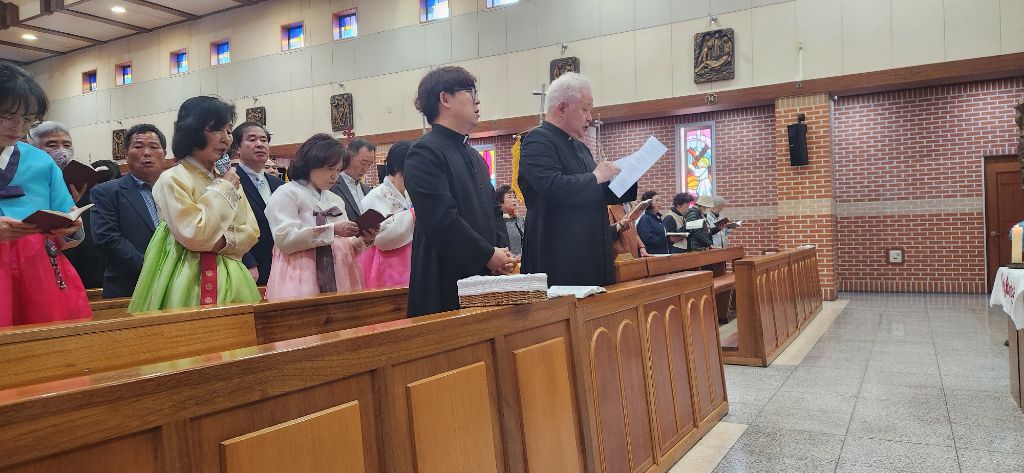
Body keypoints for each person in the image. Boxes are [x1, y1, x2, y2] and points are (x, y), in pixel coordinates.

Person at [128, 96, 261, 313]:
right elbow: (194, 234)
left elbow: (252, 231)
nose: (226, 139)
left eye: (228, 131)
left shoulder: (227, 178)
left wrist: (219, 241)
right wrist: (224, 190)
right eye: (216, 130)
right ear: (192, 131)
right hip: (187, 275)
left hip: (235, 276)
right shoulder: (173, 178)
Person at [404, 66, 515, 317]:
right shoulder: (424, 153)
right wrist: (488, 254)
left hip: (486, 275)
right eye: (470, 92)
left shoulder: (476, 157)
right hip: (445, 278)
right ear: (445, 98)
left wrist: (502, 252)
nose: (477, 101)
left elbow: (494, 211)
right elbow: (441, 219)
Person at [518, 72, 637, 286]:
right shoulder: (538, 140)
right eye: (585, 109)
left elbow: (596, 193)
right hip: (560, 259)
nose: (590, 118)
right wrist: (596, 176)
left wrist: (628, 176)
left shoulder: (581, 148)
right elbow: (553, 187)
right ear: (562, 108)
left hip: (593, 254)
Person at [0, 62, 91, 326]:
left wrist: (70, 226)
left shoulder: (41, 162)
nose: (18, 126)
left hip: (35, 270)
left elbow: (66, 216)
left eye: (27, 119)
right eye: (7, 115)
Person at [264, 134, 376, 300]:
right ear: (312, 163)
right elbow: (285, 239)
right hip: (301, 273)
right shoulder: (287, 193)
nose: (335, 175)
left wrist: (364, 239)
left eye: (338, 170)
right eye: (330, 169)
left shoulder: (335, 199)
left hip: (340, 273)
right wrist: (333, 230)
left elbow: (346, 245)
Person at [91, 124, 167, 298]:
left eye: (154, 147)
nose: (146, 153)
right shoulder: (106, 192)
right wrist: (151, 270)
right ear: (126, 154)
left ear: (164, 154)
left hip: (174, 286)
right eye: (138, 147)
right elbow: (107, 238)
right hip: (129, 288)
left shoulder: (176, 190)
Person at [29, 121, 107, 289]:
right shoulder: (26, 184)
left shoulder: (83, 185)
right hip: (37, 267)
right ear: (34, 149)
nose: (62, 150)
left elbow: (82, 237)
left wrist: (70, 207)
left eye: (67, 144)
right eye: (52, 145)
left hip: (84, 272)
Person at [231, 122, 284, 285]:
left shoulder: (279, 185)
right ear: (238, 148)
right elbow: (229, 225)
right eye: (252, 139)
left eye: (264, 140)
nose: (260, 144)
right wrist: (247, 262)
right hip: (249, 267)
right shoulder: (230, 181)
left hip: (282, 265)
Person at [360, 141, 414, 289]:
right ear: (397, 168)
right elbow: (381, 239)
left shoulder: (409, 193)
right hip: (388, 265)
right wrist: (413, 214)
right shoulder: (375, 196)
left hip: (412, 260)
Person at [330, 139, 375, 218]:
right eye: (363, 162)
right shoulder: (331, 186)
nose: (365, 169)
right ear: (349, 157)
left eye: (369, 165)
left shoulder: (368, 190)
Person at [496, 184, 525, 256]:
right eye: (509, 197)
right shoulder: (498, 223)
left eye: (514, 197)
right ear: (500, 202)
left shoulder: (521, 220)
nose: (514, 200)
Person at [637, 190, 669, 254]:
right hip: (653, 253)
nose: (659, 203)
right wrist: (665, 238)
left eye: (660, 200)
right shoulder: (645, 218)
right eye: (656, 200)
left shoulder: (657, 217)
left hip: (663, 252)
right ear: (649, 203)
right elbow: (647, 238)